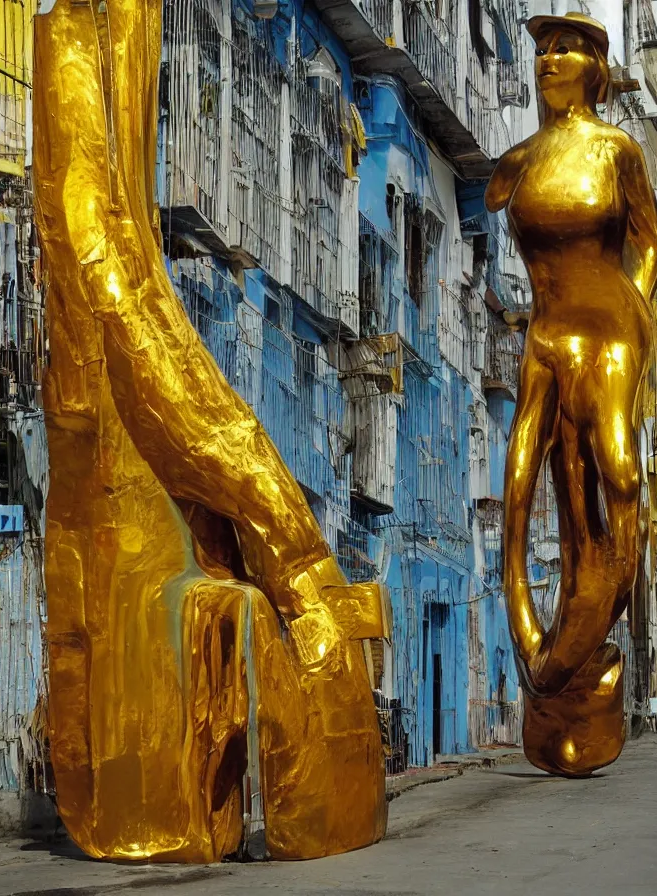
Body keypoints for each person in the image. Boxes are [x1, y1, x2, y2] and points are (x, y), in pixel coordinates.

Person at [33, 0, 387, 860]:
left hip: (131, 469)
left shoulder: (111, 40)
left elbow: (114, 265)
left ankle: (200, 792)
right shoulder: (74, 43)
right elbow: (99, 263)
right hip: (116, 477)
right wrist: (294, 547)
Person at [485, 12, 657, 776]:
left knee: (618, 471)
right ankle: (547, 655)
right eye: (539, 50)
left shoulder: (618, 150)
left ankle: (577, 644)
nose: (547, 60)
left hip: (616, 331)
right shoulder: (519, 161)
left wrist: (637, 308)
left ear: (595, 66)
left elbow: (649, 239)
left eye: (563, 48)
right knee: (526, 486)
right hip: (549, 337)